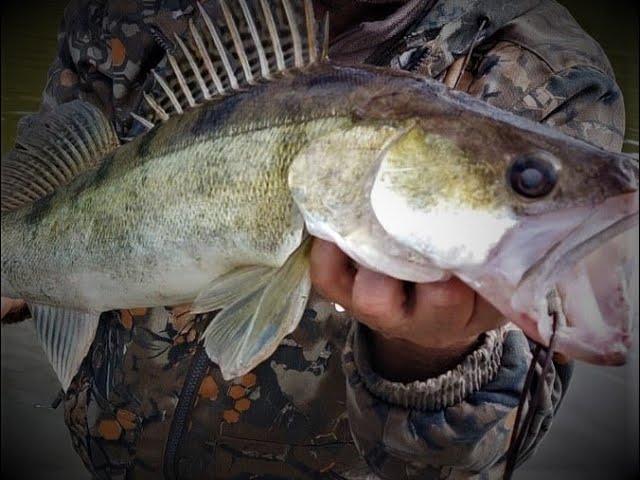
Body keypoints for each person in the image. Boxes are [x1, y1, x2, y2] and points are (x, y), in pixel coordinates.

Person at [1, 0, 625, 478]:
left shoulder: (549, 80)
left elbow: (490, 456)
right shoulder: (123, 12)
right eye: (529, 181)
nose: (528, 189)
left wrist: (433, 360)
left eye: (527, 181)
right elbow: (49, 175)